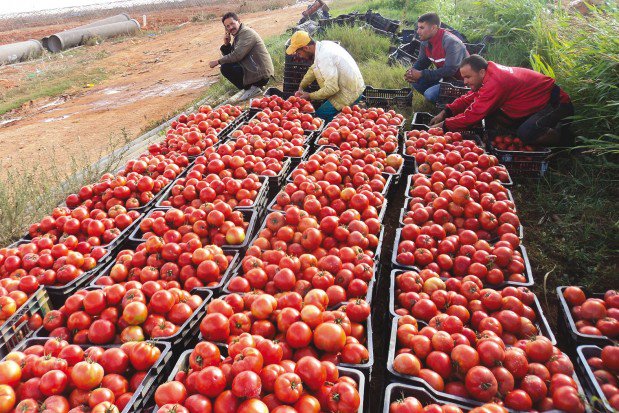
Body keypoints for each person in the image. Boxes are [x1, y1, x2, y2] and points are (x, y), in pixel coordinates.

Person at [430, 55, 574, 146]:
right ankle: (528, 129)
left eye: (468, 77)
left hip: (556, 104)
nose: (465, 82)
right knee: (497, 119)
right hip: (534, 104)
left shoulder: (496, 82)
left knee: (526, 134)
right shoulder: (488, 74)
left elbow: (472, 116)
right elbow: (471, 98)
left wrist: (444, 125)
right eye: (463, 78)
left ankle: (564, 139)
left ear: (481, 72)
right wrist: (446, 111)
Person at [286, 30, 365, 122]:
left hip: (349, 92)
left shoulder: (325, 57)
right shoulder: (322, 46)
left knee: (320, 116)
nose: (300, 56)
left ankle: (334, 129)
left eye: (299, 53)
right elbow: (313, 69)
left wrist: (309, 95)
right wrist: (301, 86)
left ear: (306, 48)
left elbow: (332, 89)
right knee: (322, 109)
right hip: (348, 86)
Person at [209, 12, 274, 102]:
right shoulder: (239, 35)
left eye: (232, 23)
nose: (230, 27)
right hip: (254, 70)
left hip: (260, 74)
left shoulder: (246, 33)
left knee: (225, 67)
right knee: (227, 65)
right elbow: (232, 55)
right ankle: (251, 87)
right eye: (227, 26)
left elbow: (236, 56)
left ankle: (253, 88)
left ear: (238, 21)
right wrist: (226, 44)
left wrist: (217, 61)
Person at [405, 13, 468, 103]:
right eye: (418, 27)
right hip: (445, 79)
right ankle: (443, 100)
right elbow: (422, 62)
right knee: (415, 81)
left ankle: (453, 105)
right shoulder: (425, 41)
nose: (418, 31)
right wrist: (412, 72)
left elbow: (450, 70)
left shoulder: (451, 42)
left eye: (422, 28)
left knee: (429, 94)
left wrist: (422, 74)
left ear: (433, 28)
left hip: (461, 83)